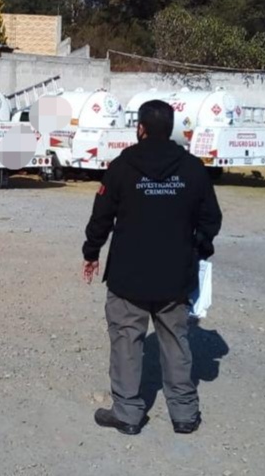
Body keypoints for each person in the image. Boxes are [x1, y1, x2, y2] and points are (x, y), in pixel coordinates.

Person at [82, 99, 222, 436]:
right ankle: (184, 414)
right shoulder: (192, 168)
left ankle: (127, 413)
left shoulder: (121, 166)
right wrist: (197, 248)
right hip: (175, 274)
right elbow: (211, 219)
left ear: (140, 128)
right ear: (170, 128)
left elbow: (101, 216)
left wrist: (91, 251)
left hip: (128, 275)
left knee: (126, 340)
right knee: (176, 340)